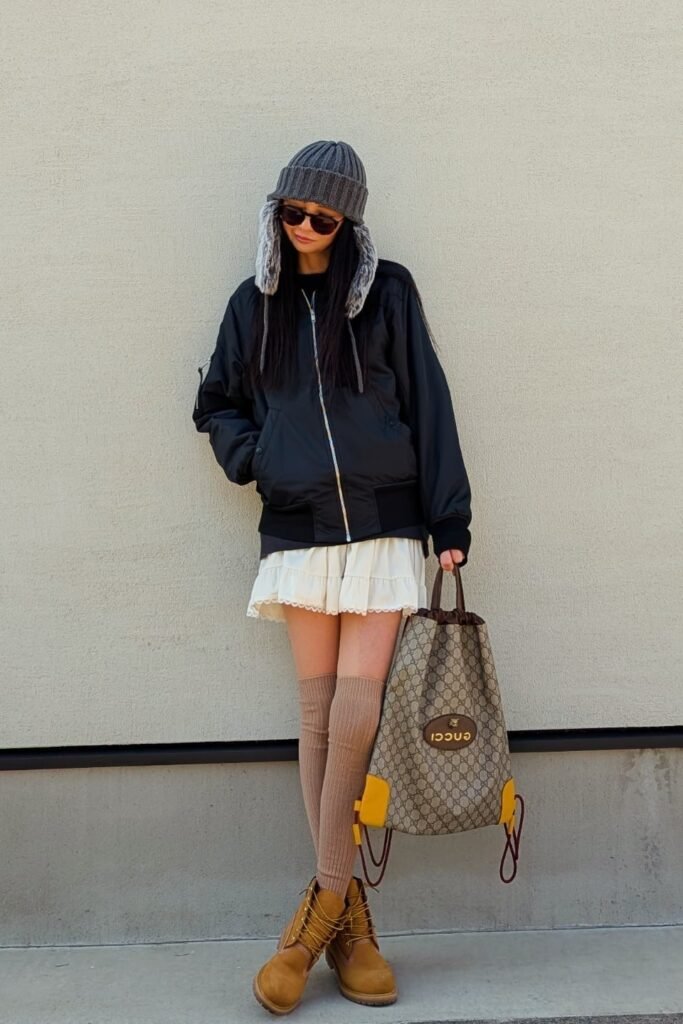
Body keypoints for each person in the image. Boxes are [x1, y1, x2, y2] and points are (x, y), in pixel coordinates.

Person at [192, 139, 472, 1014]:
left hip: (386, 522)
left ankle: (312, 918)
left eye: (324, 217)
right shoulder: (255, 304)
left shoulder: (387, 293)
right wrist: (260, 459)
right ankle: (350, 923)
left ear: (348, 220)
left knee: (356, 716)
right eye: (293, 214)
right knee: (316, 716)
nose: (307, 229)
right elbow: (216, 404)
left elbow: (428, 398)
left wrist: (449, 516)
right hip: (300, 526)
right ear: (277, 214)